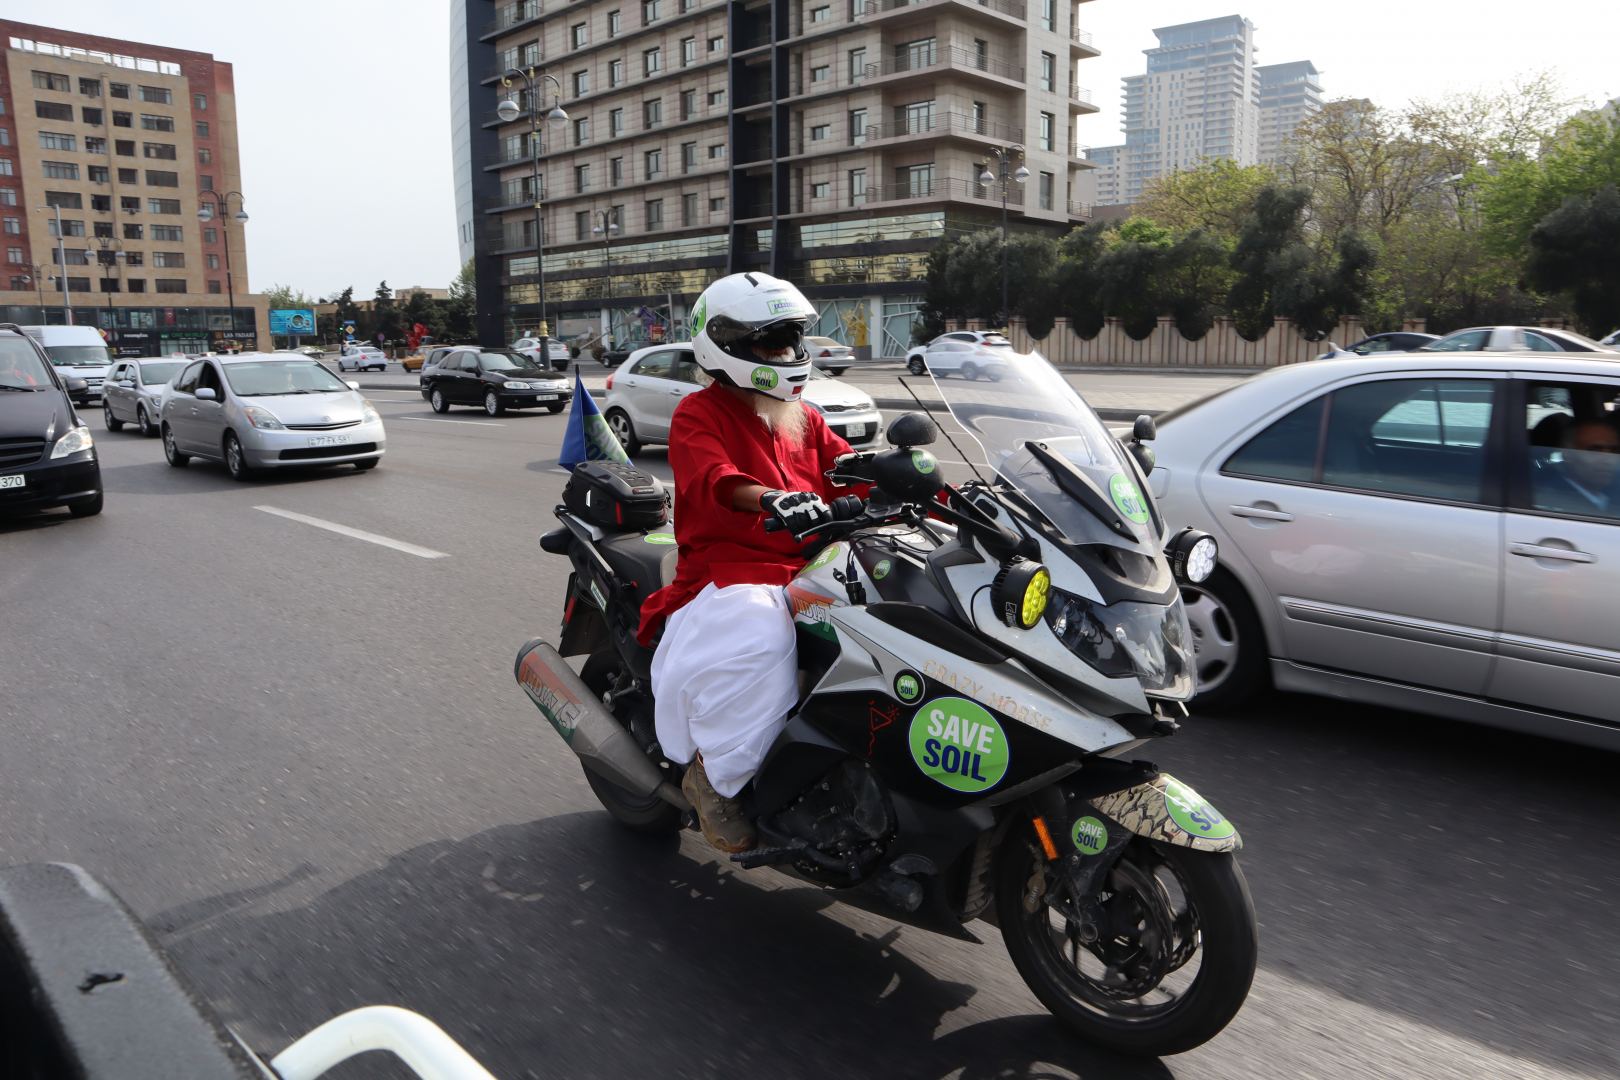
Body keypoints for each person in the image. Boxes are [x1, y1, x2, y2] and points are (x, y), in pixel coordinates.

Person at [637, 273, 864, 853]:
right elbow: (714, 478)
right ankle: (713, 779)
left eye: (790, 341)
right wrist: (770, 498)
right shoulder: (698, 414)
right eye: (771, 344)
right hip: (730, 571)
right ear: (726, 346)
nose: (787, 355)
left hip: (814, 562)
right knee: (764, 638)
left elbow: (851, 467)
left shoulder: (803, 417)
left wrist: (937, 485)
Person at [1536, 418, 1620, 517]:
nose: (1609, 460)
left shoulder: (1612, 491)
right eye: (1594, 451)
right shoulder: (1550, 503)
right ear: (1567, 455)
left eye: (1614, 451)